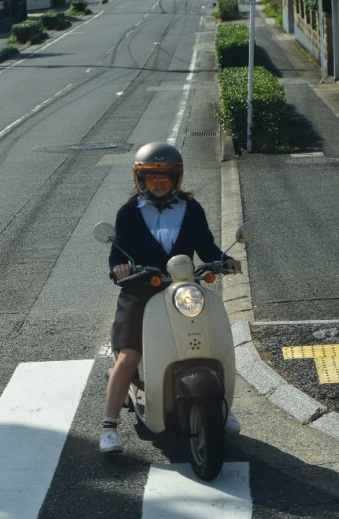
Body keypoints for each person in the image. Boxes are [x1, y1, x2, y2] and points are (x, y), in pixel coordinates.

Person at [100, 142, 242, 454]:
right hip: (140, 290)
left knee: (209, 344)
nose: (159, 183)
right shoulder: (129, 213)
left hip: (182, 290)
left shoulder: (192, 209)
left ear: (176, 178)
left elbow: (206, 246)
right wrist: (120, 269)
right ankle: (109, 426)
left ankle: (221, 407)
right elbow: (117, 252)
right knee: (129, 356)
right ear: (140, 179)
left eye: (165, 177)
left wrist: (223, 260)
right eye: (151, 177)